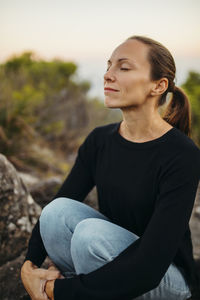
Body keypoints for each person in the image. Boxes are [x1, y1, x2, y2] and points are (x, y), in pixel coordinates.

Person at [21, 36, 200, 300]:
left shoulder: (182, 154)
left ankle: (78, 289)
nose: (108, 75)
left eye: (123, 67)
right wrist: (29, 266)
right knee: (56, 213)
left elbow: (149, 267)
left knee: (88, 235)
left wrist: (55, 290)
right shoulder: (100, 140)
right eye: (108, 66)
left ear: (158, 85)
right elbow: (62, 201)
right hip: (108, 257)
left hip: (164, 277)